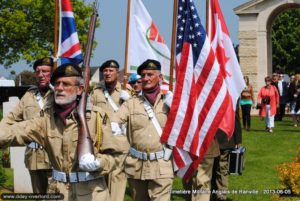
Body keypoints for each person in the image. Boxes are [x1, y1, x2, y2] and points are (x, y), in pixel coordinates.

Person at [0, 63, 117, 200]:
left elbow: (114, 157)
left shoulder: (97, 117)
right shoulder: (46, 119)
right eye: (57, 84)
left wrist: (98, 163)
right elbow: (16, 131)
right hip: (57, 191)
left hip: (90, 192)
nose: (60, 88)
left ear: (79, 89)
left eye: (66, 84)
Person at [111, 59, 174, 201]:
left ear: (160, 77)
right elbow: (114, 123)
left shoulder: (170, 102)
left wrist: (177, 109)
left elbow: (185, 126)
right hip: (136, 165)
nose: (146, 78)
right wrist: (120, 140)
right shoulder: (131, 103)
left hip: (162, 164)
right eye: (143, 75)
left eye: (150, 74)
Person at [0, 57, 53, 193]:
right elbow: (10, 118)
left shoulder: (58, 95)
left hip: (53, 155)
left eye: (45, 71)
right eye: (38, 71)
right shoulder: (29, 95)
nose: (41, 75)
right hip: (34, 157)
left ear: (52, 73)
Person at [91, 59, 130, 201]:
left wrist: (129, 100)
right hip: (100, 142)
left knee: (117, 183)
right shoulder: (96, 92)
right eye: (105, 71)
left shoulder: (127, 92)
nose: (107, 73)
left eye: (111, 70)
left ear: (117, 73)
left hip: (120, 144)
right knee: (100, 184)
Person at [211, 104, 242, 201]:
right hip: (214, 139)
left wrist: (238, 140)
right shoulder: (231, 96)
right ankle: (216, 193)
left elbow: (235, 119)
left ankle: (221, 195)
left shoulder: (231, 96)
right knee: (214, 168)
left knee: (221, 168)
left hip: (224, 139)